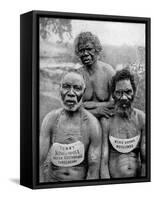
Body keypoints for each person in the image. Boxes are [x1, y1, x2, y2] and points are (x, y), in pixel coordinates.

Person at [40, 71, 102, 182]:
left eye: (77, 88)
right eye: (66, 87)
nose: (71, 93)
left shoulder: (92, 124)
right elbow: (39, 162)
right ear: (59, 89)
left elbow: (93, 170)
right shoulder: (50, 119)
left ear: (83, 92)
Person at [100, 69, 146, 178]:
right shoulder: (107, 120)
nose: (124, 97)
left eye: (128, 92)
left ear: (134, 91)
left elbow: (146, 160)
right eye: (119, 93)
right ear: (113, 95)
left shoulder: (141, 118)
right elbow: (104, 162)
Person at [74, 32, 115, 119]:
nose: (85, 53)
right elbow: (73, 106)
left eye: (89, 49)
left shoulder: (108, 71)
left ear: (97, 49)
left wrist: (89, 105)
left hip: (106, 120)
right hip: (83, 120)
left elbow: (116, 102)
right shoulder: (77, 75)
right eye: (81, 50)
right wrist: (96, 111)